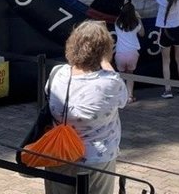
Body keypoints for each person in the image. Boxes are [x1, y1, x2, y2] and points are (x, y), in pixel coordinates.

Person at [43, 20, 128, 194]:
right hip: (98, 159)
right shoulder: (110, 82)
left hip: (59, 153)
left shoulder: (57, 74)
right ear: (104, 50)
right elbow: (123, 100)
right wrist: (105, 61)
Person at [112, 1, 143, 102]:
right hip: (132, 53)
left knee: (121, 77)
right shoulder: (136, 23)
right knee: (130, 75)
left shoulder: (117, 22)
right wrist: (139, 18)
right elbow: (142, 33)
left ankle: (121, 96)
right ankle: (130, 96)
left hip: (120, 53)